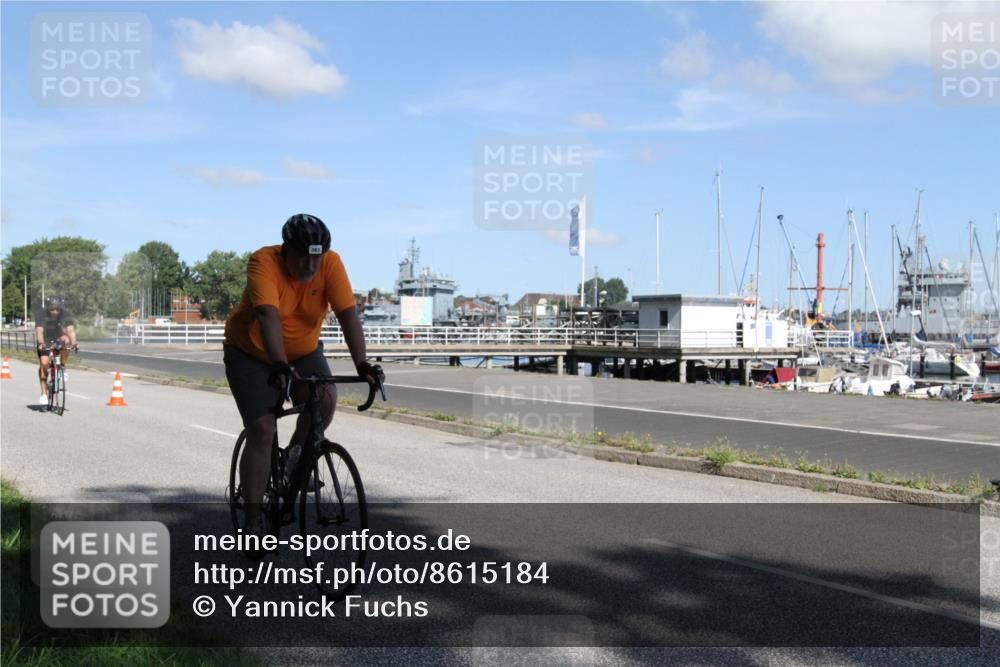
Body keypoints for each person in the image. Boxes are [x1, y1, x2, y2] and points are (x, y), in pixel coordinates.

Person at [224, 213, 376, 540]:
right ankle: (253, 520)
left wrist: (362, 364)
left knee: (325, 399)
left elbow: (348, 315)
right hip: (251, 351)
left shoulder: (330, 264)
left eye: (315, 257)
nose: (309, 265)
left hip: (304, 350)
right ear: (284, 252)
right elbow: (267, 315)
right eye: (302, 257)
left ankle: (295, 458)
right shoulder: (263, 262)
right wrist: (279, 364)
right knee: (263, 429)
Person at [35, 296, 78, 405]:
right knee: (44, 363)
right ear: (48, 308)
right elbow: (39, 331)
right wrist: (41, 343)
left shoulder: (65, 314)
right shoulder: (41, 314)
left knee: (67, 342)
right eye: (52, 309)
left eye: (57, 309)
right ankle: (44, 393)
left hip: (57, 334)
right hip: (44, 338)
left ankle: (62, 366)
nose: (55, 311)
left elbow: (70, 330)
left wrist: (74, 343)